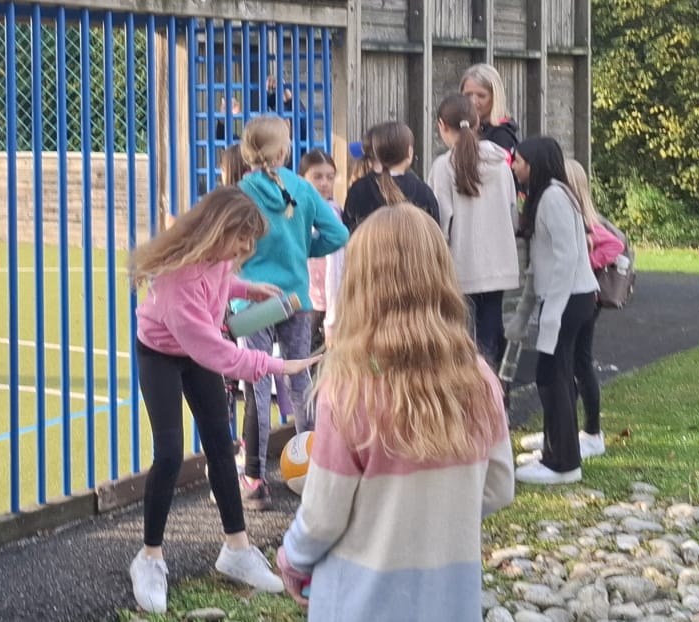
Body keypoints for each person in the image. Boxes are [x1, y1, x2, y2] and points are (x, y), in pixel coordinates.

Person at [276, 205, 515, 619]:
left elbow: (323, 515)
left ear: (361, 284)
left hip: (360, 602)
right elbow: (499, 488)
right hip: (448, 602)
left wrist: (292, 558)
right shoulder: (478, 380)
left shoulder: (350, 386)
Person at [125, 187, 317, 613]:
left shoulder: (216, 256)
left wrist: (247, 289)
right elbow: (217, 353)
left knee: (219, 445)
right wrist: (277, 365)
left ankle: (237, 548)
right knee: (170, 453)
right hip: (161, 354)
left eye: (250, 240)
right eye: (242, 238)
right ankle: (149, 557)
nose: (246, 248)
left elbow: (217, 281)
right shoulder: (177, 280)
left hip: (197, 349)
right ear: (217, 229)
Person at [236, 117, 350, 507]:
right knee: (299, 381)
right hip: (297, 300)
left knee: (256, 384)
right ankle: (312, 467)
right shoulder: (302, 189)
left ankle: (255, 479)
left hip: (253, 301)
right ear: (284, 151)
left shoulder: (241, 193)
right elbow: (338, 234)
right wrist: (303, 250)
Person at [509, 137, 601, 485]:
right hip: (568, 298)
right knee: (553, 375)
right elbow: (540, 264)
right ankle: (555, 450)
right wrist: (524, 313)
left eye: (519, 160)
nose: (514, 166)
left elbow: (567, 257)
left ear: (535, 164)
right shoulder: (545, 196)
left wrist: (553, 311)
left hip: (571, 299)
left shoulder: (553, 197)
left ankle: (563, 464)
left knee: (553, 376)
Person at [521, 159, 622, 465]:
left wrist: (586, 261)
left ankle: (591, 432)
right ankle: (561, 430)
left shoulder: (586, 221)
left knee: (578, 364)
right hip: (579, 295)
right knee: (570, 365)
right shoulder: (567, 211)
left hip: (582, 296)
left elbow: (614, 246)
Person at [427, 95, 519, 368]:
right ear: (478, 122)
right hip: (498, 262)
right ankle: (493, 387)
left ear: (442, 125)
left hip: (460, 264)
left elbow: (440, 222)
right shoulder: (501, 166)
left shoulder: (443, 167)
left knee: (459, 336)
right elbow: (512, 211)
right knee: (491, 334)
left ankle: (464, 389)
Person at [342, 121, 440, 230]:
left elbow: (348, 231)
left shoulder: (358, 189)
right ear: (409, 152)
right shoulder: (423, 192)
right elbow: (435, 231)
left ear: (375, 153)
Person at [297, 149, 342, 359]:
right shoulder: (297, 209)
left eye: (330, 177)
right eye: (317, 177)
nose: (324, 183)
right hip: (303, 298)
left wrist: (332, 316)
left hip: (324, 303)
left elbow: (335, 267)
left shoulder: (331, 213)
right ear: (301, 178)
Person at [460, 64, 520, 157]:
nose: (473, 101)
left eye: (481, 96)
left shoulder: (500, 135)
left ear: (495, 97)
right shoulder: (467, 127)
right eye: (468, 95)